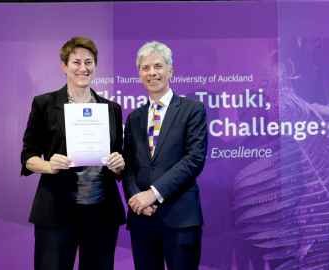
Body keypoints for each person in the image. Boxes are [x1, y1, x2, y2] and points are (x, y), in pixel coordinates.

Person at [20, 36, 125, 270]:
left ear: (95, 66)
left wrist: (119, 166)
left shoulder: (111, 109)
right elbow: (28, 156)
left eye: (89, 62)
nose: (83, 68)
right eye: (76, 62)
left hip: (101, 213)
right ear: (64, 66)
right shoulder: (44, 104)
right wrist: (48, 165)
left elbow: (118, 158)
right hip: (56, 212)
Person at [123, 41, 208, 270]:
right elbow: (128, 166)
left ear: (171, 70)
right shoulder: (134, 117)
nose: (152, 73)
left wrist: (153, 194)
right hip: (142, 219)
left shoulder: (192, 110)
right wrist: (136, 200)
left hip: (180, 219)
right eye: (145, 68)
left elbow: (194, 159)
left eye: (158, 66)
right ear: (139, 74)